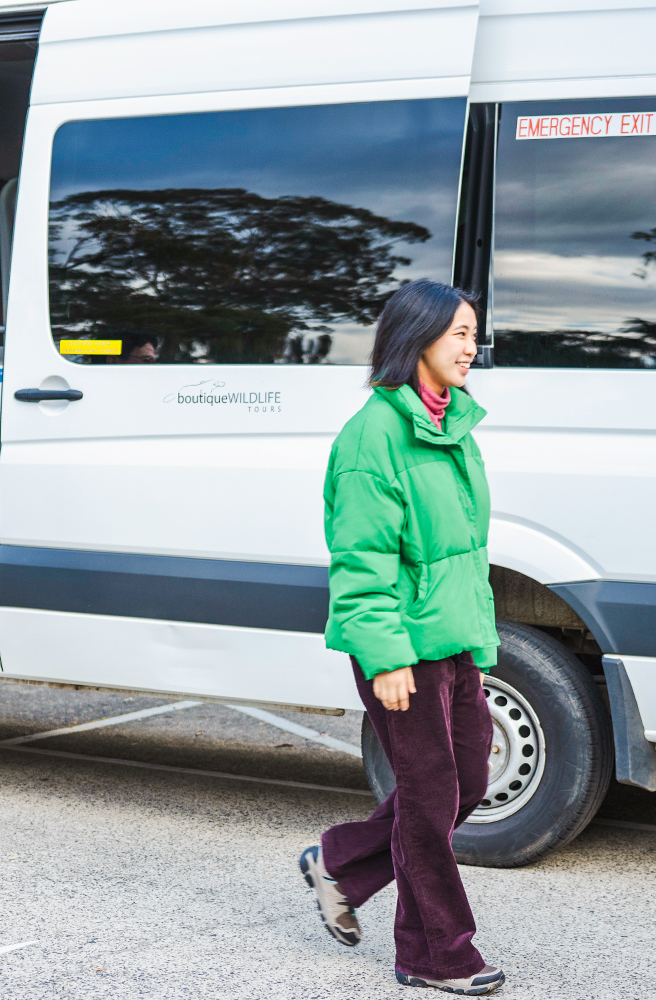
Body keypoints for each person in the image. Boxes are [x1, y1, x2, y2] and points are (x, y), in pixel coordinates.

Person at [299, 279, 505, 995]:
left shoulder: (452, 428)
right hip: (402, 650)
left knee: (468, 784)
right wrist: (385, 655)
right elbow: (361, 559)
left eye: (474, 334)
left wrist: (477, 647)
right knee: (429, 796)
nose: (471, 347)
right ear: (414, 337)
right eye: (458, 333)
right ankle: (436, 953)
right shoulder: (373, 436)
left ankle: (341, 862)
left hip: (453, 646)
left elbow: (466, 551)